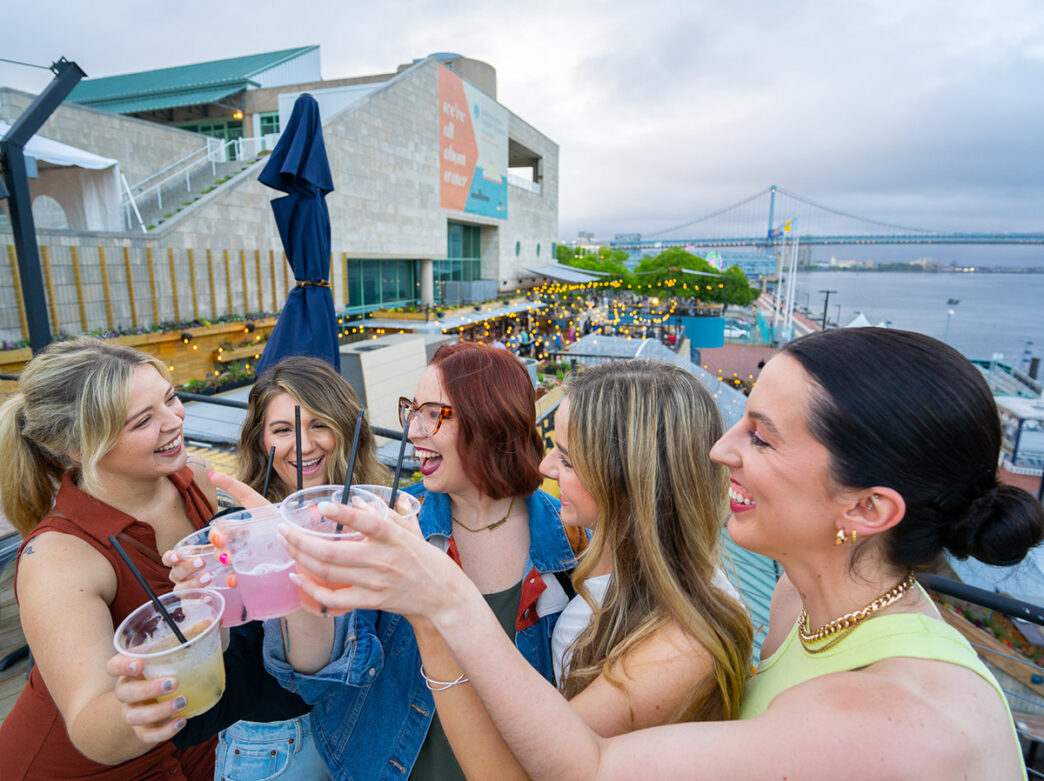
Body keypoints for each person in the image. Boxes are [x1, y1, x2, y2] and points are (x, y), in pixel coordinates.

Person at [282, 328, 1043, 779]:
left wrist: (438, 603)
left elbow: (585, 766)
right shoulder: (798, 598)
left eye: (762, 437)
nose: (719, 448)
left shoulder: (892, 713)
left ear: (868, 508)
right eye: (740, 419)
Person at [284, 359, 753, 779]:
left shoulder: (588, 561)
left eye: (567, 458)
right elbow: (322, 674)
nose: (547, 463)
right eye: (414, 409)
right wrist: (294, 572)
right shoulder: (599, 560)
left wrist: (434, 612)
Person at [111, 356, 387, 780]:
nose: (304, 444)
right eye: (282, 430)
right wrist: (203, 620)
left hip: (370, 734)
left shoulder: (378, 512)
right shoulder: (239, 536)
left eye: (319, 424)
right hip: (280, 749)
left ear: (346, 428)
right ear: (261, 441)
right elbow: (231, 682)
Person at [0, 337, 219, 779]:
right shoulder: (57, 558)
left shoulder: (195, 479)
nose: (174, 420)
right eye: (142, 421)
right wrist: (146, 703)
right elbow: (89, 726)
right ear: (79, 449)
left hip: (197, 739)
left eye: (171, 398)